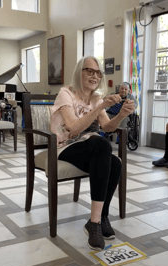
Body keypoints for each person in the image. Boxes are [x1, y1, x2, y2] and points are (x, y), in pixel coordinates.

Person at [50, 56, 135, 251]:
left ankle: (100, 218)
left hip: (89, 146)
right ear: (79, 72)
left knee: (115, 163)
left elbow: (107, 126)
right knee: (102, 145)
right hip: (65, 146)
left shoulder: (96, 97)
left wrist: (121, 114)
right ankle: (96, 223)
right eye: (89, 71)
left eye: (98, 73)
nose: (94, 76)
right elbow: (72, 129)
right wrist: (101, 106)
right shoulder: (66, 94)